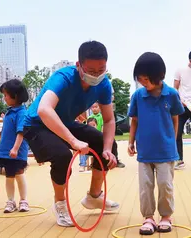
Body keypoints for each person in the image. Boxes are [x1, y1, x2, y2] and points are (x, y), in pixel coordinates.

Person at [23, 40, 119, 227]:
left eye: (101, 70)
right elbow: (44, 109)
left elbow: (109, 120)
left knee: (106, 144)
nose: (96, 75)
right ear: (78, 66)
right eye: (91, 71)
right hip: (36, 124)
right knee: (62, 156)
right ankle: (60, 204)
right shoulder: (64, 77)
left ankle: (94, 196)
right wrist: (73, 141)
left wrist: (107, 148)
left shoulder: (104, 84)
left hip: (64, 122)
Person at [128, 52, 185, 235]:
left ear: (158, 76)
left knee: (164, 184)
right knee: (145, 186)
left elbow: (175, 119)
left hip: (165, 150)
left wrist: (172, 141)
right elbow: (134, 120)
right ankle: (148, 217)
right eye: (140, 79)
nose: (143, 83)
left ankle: (166, 216)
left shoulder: (171, 95)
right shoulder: (138, 96)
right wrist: (131, 142)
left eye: (146, 79)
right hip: (145, 150)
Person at [0, 79, 30, 213]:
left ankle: (23, 200)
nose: (4, 98)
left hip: (17, 151)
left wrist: (15, 148)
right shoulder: (9, 112)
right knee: (9, 176)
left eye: (6, 95)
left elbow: (21, 132)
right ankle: (10, 201)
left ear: (15, 96)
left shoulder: (21, 113)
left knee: (19, 174)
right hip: (5, 151)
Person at [88, 102, 125, 168]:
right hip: (92, 136)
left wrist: (102, 134)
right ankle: (92, 163)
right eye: (93, 107)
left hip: (101, 134)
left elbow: (104, 125)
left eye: (96, 107)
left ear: (99, 107)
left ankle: (115, 160)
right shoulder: (89, 117)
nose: (94, 109)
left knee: (113, 144)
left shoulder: (102, 116)